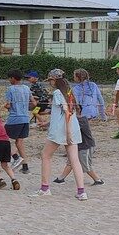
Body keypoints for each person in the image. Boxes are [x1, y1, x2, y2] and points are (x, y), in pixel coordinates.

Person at [30, 69, 86, 200]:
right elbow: (64, 113)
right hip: (73, 128)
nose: (50, 83)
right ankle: (81, 191)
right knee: (74, 160)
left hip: (61, 130)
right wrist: (48, 123)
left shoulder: (57, 93)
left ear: (55, 80)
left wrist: (67, 132)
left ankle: (45, 188)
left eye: (50, 80)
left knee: (45, 155)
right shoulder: (69, 92)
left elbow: (66, 113)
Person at [56, 112, 104, 188]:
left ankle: (98, 180)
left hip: (86, 146)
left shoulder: (81, 120)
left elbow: (70, 129)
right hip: (78, 146)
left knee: (85, 165)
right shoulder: (75, 119)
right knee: (70, 162)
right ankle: (61, 178)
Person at [4, 70, 33, 174]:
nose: (9, 80)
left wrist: (6, 106)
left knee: (2, 138)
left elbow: (8, 104)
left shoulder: (11, 89)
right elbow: (33, 102)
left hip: (14, 118)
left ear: (13, 78)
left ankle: (16, 157)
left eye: (9, 78)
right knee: (19, 142)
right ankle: (25, 166)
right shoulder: (26, 88)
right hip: (25, 118)